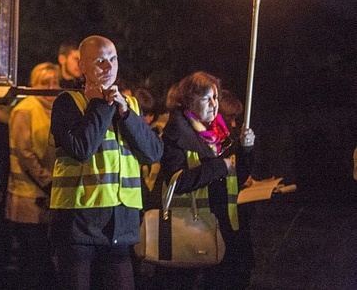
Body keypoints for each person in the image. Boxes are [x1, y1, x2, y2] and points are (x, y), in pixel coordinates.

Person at [49, 36, 163, 290]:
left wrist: (126, 114)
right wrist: (100, 104)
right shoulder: (68, 103)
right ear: (82, 66)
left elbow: (154, 153)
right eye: (100, 61)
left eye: (113, 59)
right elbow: (81, 148)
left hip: (120, 225)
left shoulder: (130, 105)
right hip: (78, 224)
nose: (109, 67)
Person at [158, 72, 255, 290]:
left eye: (216, 98)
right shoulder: (176, 134)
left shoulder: (220, 132)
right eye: (206, 99)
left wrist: (246, 150)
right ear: (190, 102)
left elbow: (236, 179)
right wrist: (219, 166)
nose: (214, 104)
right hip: (189, 232)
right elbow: (178, 181)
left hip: (223, 227)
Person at [6, 62, 59, 290]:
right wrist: (48, 182)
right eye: (45, 83)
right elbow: (25, 153)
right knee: (33, 261)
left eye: (55, 83)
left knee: (45, 260)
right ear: (34, 84)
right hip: (27, 197)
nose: (50, 88)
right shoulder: (25, 109)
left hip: (50, 197)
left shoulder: (59, 108)